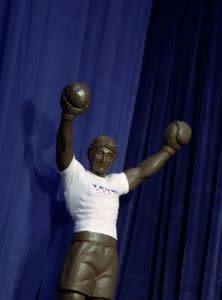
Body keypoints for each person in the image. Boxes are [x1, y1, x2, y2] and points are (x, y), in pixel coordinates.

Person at [56, 82, 191, 300]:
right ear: (91, 153)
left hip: (109, 255)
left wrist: (169, 150)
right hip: (84, 248)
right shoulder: (76, 174)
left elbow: (142, 172)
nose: (104, 159)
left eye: (110, 155)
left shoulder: (114, 181)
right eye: (100, 153)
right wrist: (68, 117)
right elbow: (64, 147)